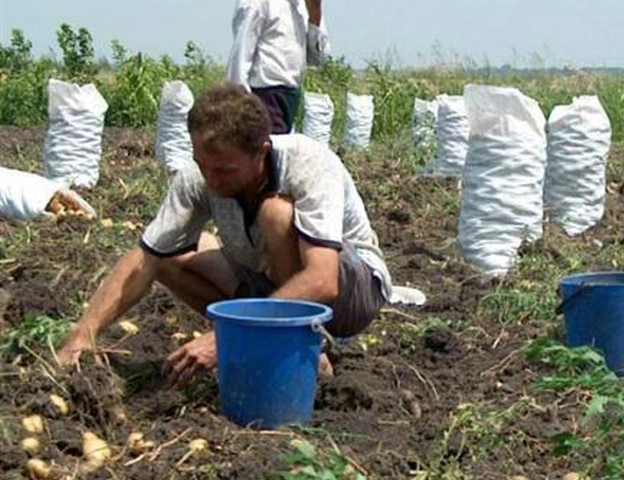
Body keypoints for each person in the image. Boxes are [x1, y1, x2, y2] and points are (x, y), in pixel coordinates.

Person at [58, 84, 393, 382]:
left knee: (275, 213)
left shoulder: (308, 164)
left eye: (224, 170)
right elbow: (144, 258)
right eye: (202, 165)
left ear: (261, 150)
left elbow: (323, 279)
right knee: (168, 256)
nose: (211, 180)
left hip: (352, 294)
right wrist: (83, 335)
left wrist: (228, 337)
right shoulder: (199, 176)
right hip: (271, 281)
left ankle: (302, 345)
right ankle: (269, 334)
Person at [226, 0, 328, 134]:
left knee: (279, 148)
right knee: (269, 149)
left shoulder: (303, 6)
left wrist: (315, 15)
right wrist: (239, 102)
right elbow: (240, 54)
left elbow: (316, 59)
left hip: (290, 96)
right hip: (264, 95)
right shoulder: (257, 3)